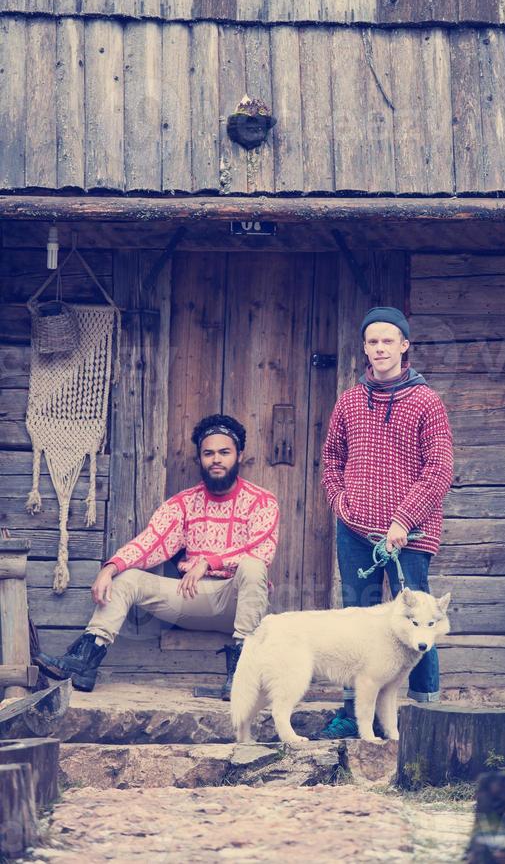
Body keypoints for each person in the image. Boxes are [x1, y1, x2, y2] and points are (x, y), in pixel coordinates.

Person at [36, 414, 279, 699]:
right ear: (199, 458)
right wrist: (111, 567)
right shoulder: (183, 503)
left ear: (239, 455)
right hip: (191, 598)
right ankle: (85, 661)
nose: (216, 460)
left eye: (224, 452)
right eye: (208, 453)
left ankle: (241, 676)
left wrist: (210, 561)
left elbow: (262, 551)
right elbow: (152, 542)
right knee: (128, 578)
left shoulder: (263, 501)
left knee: (252, 567)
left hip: (237, 602)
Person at [321, 306, 453, 738]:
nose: (380, 348)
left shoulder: (425, 401)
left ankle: (422, 713)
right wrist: (340, 502)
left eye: (388, 341)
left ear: (404, 346)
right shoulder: (349, 400)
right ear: (365, 348)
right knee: (355, 621)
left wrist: (403, 519)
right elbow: (331, 459)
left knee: (419, 617)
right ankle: (350, 712)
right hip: (356, 530)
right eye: (373, 341)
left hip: (410, 534)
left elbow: (439, 469)